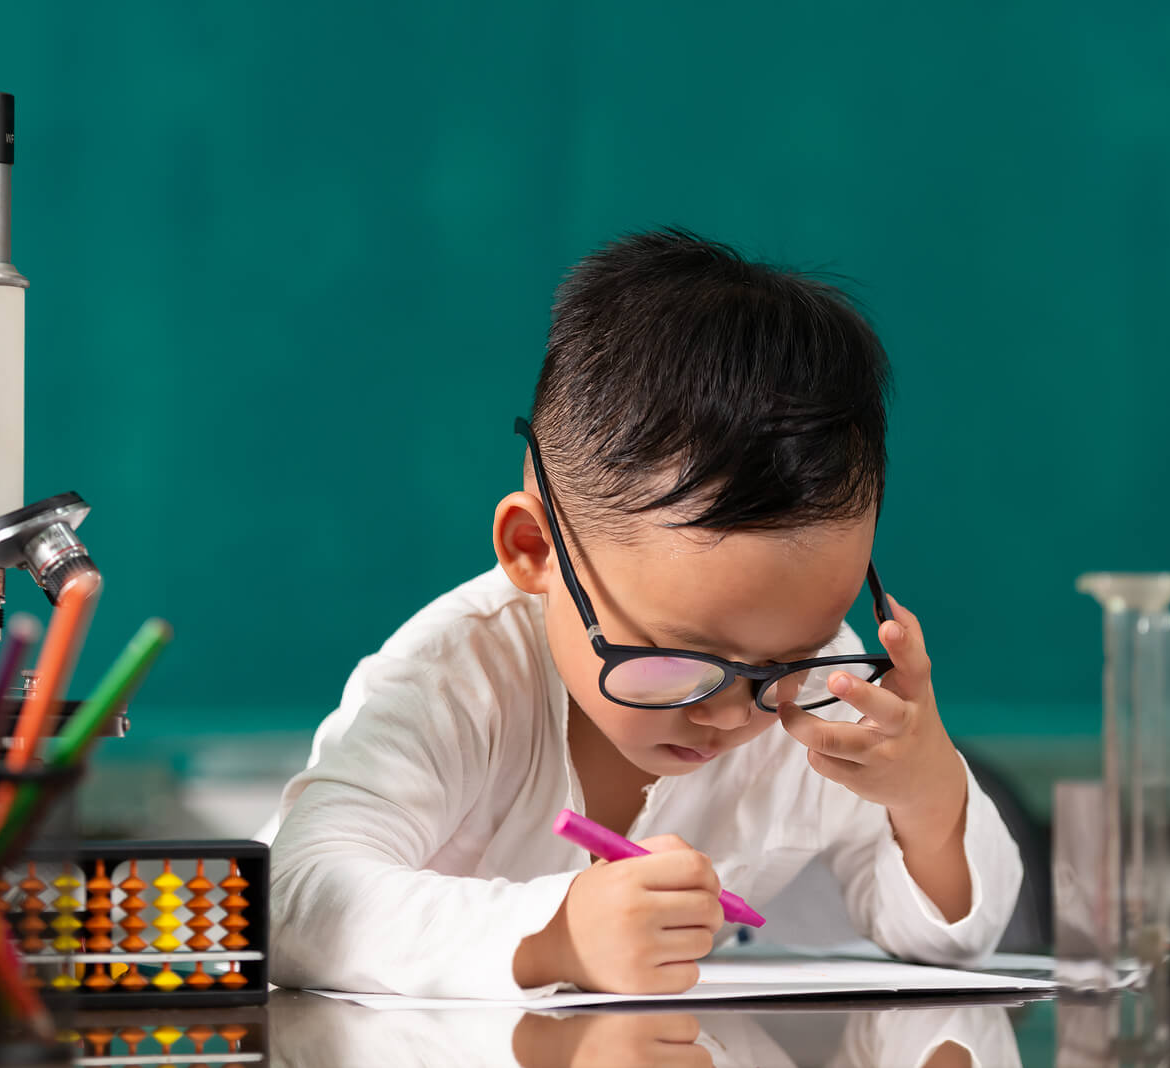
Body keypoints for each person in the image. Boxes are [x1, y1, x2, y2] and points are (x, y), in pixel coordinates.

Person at [265, 229, 1022, 998]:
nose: (733, 715)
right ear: (535, 549)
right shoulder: (455, 678)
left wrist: (928, 797)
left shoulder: (823, 692)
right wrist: (556, 937)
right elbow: (292, 898)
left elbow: (949, 938)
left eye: (788, 661)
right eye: (680, 658)